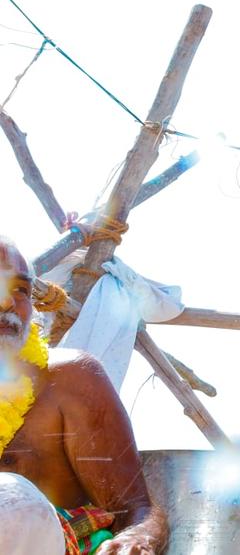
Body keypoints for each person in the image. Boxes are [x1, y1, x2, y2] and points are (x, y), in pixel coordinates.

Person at [0, 237, 166, 554]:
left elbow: (138, 511)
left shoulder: (70, 378)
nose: (8, 302)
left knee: (13, 497)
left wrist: (139, 539)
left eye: (20, 289)